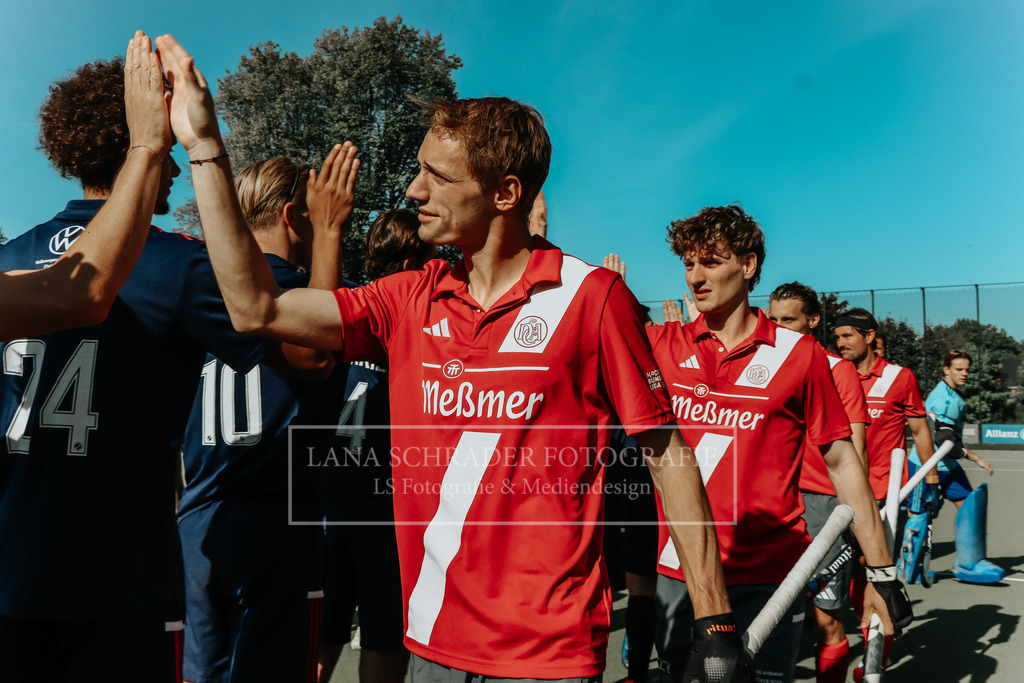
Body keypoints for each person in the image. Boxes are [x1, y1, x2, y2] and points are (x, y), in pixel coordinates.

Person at [155, 34, 753, 682]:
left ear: (504, 192)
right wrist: (204, 146)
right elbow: (255, 310)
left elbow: (666, 454)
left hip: (545, 657)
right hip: (430, 646)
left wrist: (714, 622)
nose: (413, 189)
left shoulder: (592, 298)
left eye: (436, 176)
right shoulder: (409, 297)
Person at [0, 37, 324, 683]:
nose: (173, 170)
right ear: (142, 143)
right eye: (166, 152)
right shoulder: (177, 264)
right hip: (115, 580)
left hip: (9, 565)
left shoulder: (13, 259)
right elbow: (304, 352)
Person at [632, 206, 909, 683]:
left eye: (712, 262)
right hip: (681, 573)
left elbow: (844, 464)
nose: (696, 277)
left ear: (749, 264)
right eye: (688, 264)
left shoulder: (800, 356)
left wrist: (882, 573)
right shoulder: (658, 345)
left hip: (769, 577)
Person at [177, 150, 357, 683]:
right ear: (290, 214)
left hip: (198, 519)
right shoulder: (302, 295)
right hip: (277, 524)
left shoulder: (202, 291)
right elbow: (316, 355)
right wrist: (330, 234)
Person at [318, 209, 432, 683]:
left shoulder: (342, 312)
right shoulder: (419, 321)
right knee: (385, 639)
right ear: (415, 257)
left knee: (322, 636)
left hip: (327, 501)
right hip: (384, 510)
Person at [0, 33, 171, 342]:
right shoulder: (181, 259)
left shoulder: (8, 254)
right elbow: (77, 294)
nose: (176, 170)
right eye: (169, 154)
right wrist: (150, 144)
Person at [768, 282, 870, 683]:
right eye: (772, 319)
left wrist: (860, 523)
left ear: (812, 321)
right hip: (773, 504)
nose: (778, 327)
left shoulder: (837, 370)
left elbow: (854, 453)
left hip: (823, 507)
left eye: (788, 320)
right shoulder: (762, 362)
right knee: (770, 618)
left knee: (827, 620)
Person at [834, 307, 937, 678]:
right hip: (838, 494)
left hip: (881, 496)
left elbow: (920, 432)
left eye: (848, 335)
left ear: (870, 336)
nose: (840, 342)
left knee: (872, 577)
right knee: (842, 583)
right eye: (837, 336)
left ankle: (875, 656)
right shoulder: (833, 374)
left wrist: (932, 480)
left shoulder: (899, 377)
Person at [904, 349, 1003, 584]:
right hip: (925, 465)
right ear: (946, 369)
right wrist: (976, 458)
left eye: (967, 369)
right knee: (917, 516)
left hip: (947, 465)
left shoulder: (954, 396)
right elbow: (942, 439)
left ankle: (969, 563)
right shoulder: (944, 399)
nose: (965, 373)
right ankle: (910, 567)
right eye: (959, 369)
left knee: (971, 506)